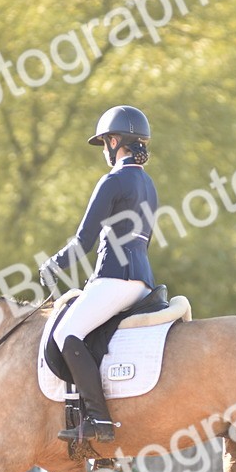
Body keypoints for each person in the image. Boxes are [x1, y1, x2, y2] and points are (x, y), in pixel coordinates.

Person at [39, 105, 158, 446]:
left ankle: (98, 418)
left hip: (115, 277)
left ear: (115, 141)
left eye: (105, 142)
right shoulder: (148, 184)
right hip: (142, 281)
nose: (105, 150)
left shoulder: (113, 181)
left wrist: (52, 265)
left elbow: (83, 242)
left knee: (66, 334)